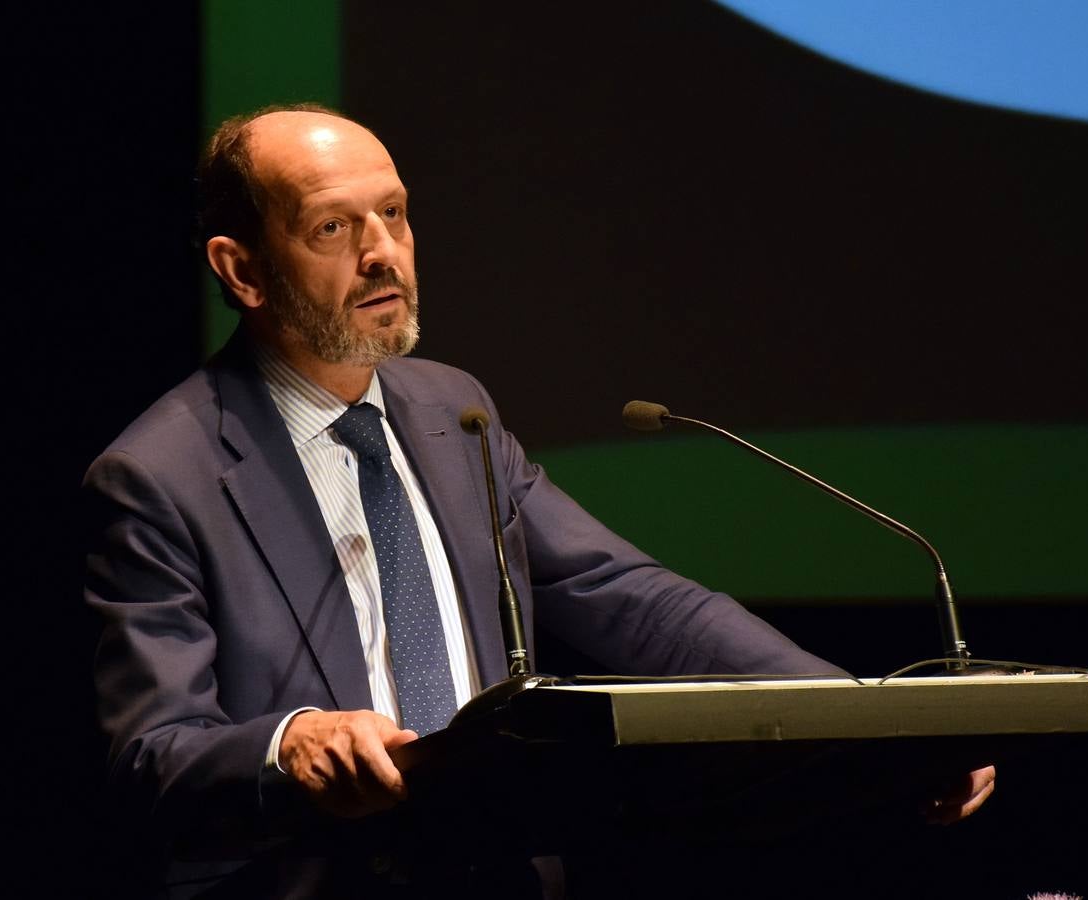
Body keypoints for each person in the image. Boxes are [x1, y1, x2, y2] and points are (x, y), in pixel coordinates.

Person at [83, 103, 995, 898]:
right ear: (241, 271)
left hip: (499, 875)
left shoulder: (453, 411)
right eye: (332, 228)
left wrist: (865, 722)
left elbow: (636, 604)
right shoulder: (162, 474)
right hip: (311, 879)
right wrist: (287, 745)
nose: (380, 254)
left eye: (394, 215)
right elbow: (151, 751)